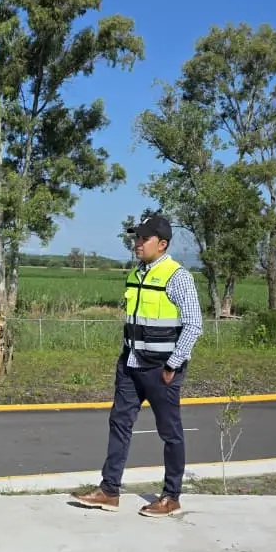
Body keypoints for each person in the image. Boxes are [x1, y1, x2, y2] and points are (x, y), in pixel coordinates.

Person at [70, 215, 202, 518]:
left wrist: (173, 364)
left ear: (162, 243)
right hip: (129, 364)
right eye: (135, 238)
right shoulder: (136, 274)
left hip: (161, 369)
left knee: (170, 432)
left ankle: (171, 496)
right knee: (119, 424)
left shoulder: (177, 277)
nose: (137, 243)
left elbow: (194, 325)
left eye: (144, 238)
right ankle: (109, 490)